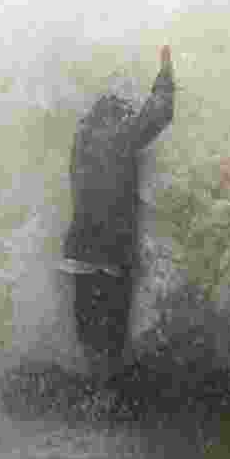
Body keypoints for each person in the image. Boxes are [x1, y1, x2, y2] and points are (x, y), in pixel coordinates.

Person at [61, 46, 175, 382]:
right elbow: (160, 112)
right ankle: (107, 394)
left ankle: (93, 392)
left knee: (88, 326)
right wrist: (166, 73)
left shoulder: (81, 139)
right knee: (113, 331)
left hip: (79, 249)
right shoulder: (120, 136)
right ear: (117, 117)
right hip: (112, 250)